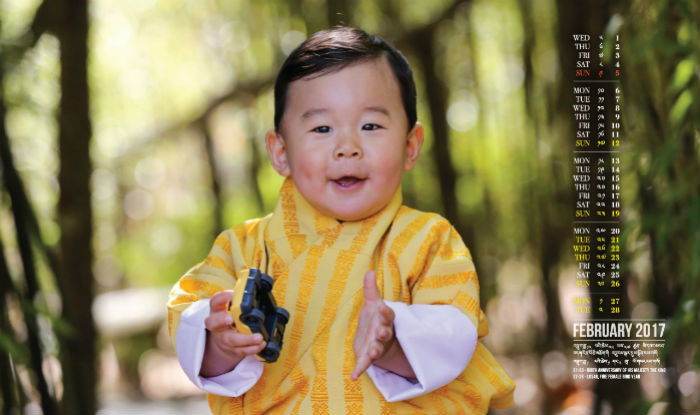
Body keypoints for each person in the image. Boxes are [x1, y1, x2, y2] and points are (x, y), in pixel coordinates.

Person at [168, 26, 514, 414]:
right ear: (280, 151)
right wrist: (219, 343)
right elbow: (192, 332)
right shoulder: (243, 247)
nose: (347, 147)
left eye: (370, 126)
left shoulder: (429, 240)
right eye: (321, 128)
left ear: (410, 145)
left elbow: (454, 337)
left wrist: (392, 342)